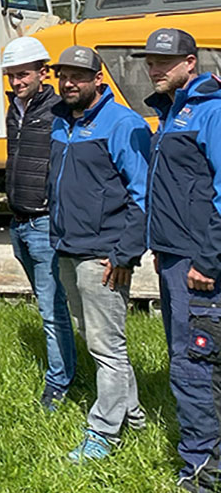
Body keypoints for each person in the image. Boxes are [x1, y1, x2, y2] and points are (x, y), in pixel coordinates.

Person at [49, 44, 150, 461]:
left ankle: (104, 433)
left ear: (98, 80)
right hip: (68, 250)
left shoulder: (123, 123)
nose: (68, 83)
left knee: (107, 347)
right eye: (63, 75)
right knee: (95, 338)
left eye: (78, 76)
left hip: (104, 255)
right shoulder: (59, 122)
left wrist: (124, 253)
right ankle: (134, 415)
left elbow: (144, 195)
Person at [135, 28, 221, 493]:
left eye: (165, 61)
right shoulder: (171, 113)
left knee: (195, 367)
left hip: (197, 261)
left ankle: (204, 477)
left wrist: (207, 258)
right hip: (174, 257)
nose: (155, 68)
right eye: (150, 61)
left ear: (191, 62)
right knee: (191, 360)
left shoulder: (210, 111)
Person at [2, 35, 77, 409]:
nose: (17, 82)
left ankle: (59, 383)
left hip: (44, 223)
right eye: (12, 76)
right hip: (18, 222)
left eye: (24, 74)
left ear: (42, 73)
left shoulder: (57, 110)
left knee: (51, 308)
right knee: (45, 302)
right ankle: (66, 369)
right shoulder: (13, 111)